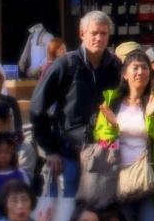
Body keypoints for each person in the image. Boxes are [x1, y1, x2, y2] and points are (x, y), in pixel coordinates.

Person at [30, 11, 120, 196]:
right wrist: (49, 149)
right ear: (82, 34)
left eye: (103, 33)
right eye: (94, 33)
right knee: (67, 208)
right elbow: (37, 108)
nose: (99, 38)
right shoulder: (66, 65)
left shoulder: (115, 67)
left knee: (99, 209)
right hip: (69, 154)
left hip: (104, 154)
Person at [93, 50, 154, 221]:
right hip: (119, 181)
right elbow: (101, 142)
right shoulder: (111, 102)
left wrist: (151, 119)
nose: (141, 72)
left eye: (145, 68)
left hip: (151, 182)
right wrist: (113, 127)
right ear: (125, 74)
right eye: (136, 68)